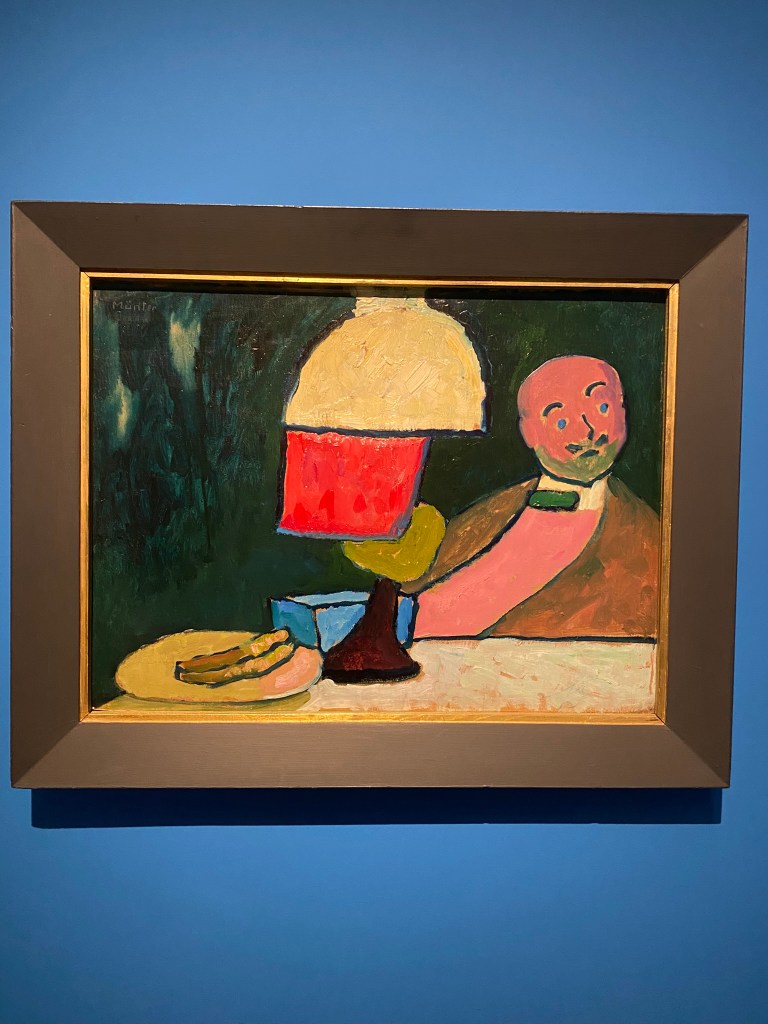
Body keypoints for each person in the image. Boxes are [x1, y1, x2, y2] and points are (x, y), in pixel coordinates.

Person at [403, 355, 659, 639]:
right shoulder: (481, 519)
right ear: (529, 432)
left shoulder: (647, 540)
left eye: (601, 408)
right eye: (561, 421)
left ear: (622, 411)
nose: (586, 432)